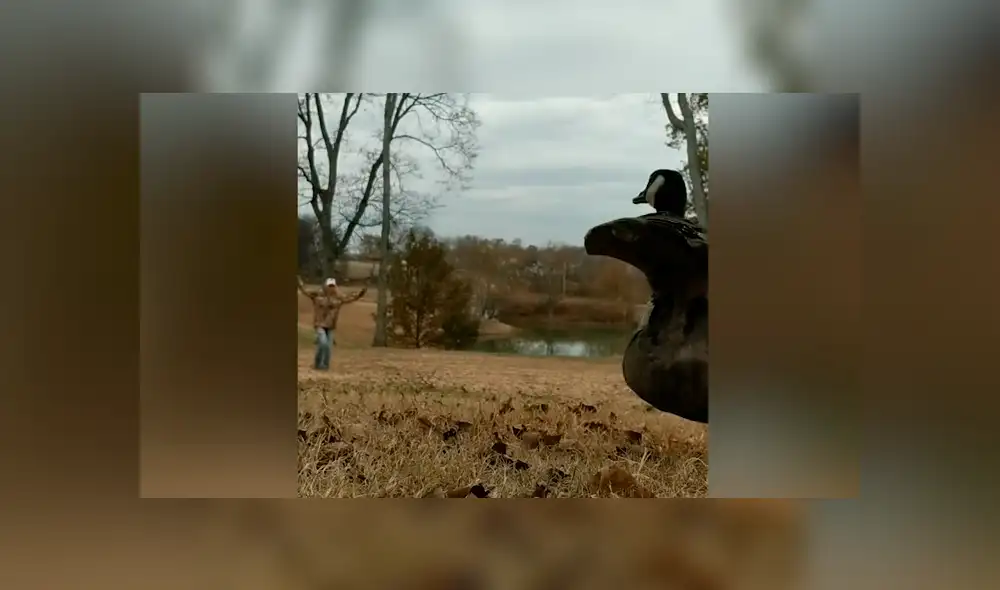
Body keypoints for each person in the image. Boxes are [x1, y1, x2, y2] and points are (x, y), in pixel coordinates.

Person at [298, 276, 367, 370]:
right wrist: (300, 284)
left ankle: (324, 366)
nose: (331, 288)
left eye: (332, 286)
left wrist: (361, 294)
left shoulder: (339, 299)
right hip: (319, 324)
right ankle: (318, 364)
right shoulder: (317, 296)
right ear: (325, 286)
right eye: (329, 286)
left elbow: (351, 298)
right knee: (323, 343)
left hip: (331, 325)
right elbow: (305, 291)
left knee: (328, 348)